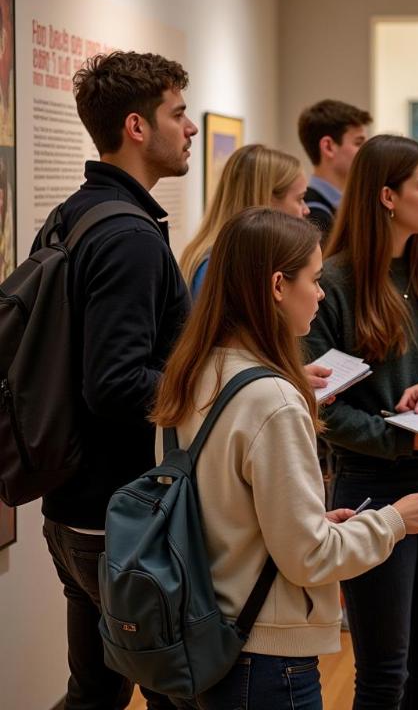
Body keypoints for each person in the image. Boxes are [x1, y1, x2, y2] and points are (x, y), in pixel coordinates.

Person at [152, 207, 418, 710]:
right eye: (313, 280)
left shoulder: (202, 368)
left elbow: (240, 513)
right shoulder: (274, 400)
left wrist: (313, 521)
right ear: (276, 286)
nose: (319, 292)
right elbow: (308, 557)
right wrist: (394, 521)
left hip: (210, 628)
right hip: (264, 654)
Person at [36, 50, 198, 710]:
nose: (189, 128)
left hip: (75, 507)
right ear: (137, 127)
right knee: (180, 691)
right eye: (178, 113)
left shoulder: (74, 214)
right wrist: (215, 387)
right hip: (117, 518)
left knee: (96, 691)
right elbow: (115, 382)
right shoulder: (128, 237)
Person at [305, 134, 418, 709]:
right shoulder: (331, 284)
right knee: (386, 670)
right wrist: (402, 439)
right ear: (386, 196)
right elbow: (321, 405)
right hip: (375, 490)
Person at [180, 144, 310, 298]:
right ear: (268, 200)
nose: (306, 209)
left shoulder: (228, 259)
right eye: (300, 199)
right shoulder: (224, 266)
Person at [297, 98, 371, 242]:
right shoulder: (312, 214)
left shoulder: (348, 205)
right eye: (358, 143)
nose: (366, 151)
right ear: (328, 147)